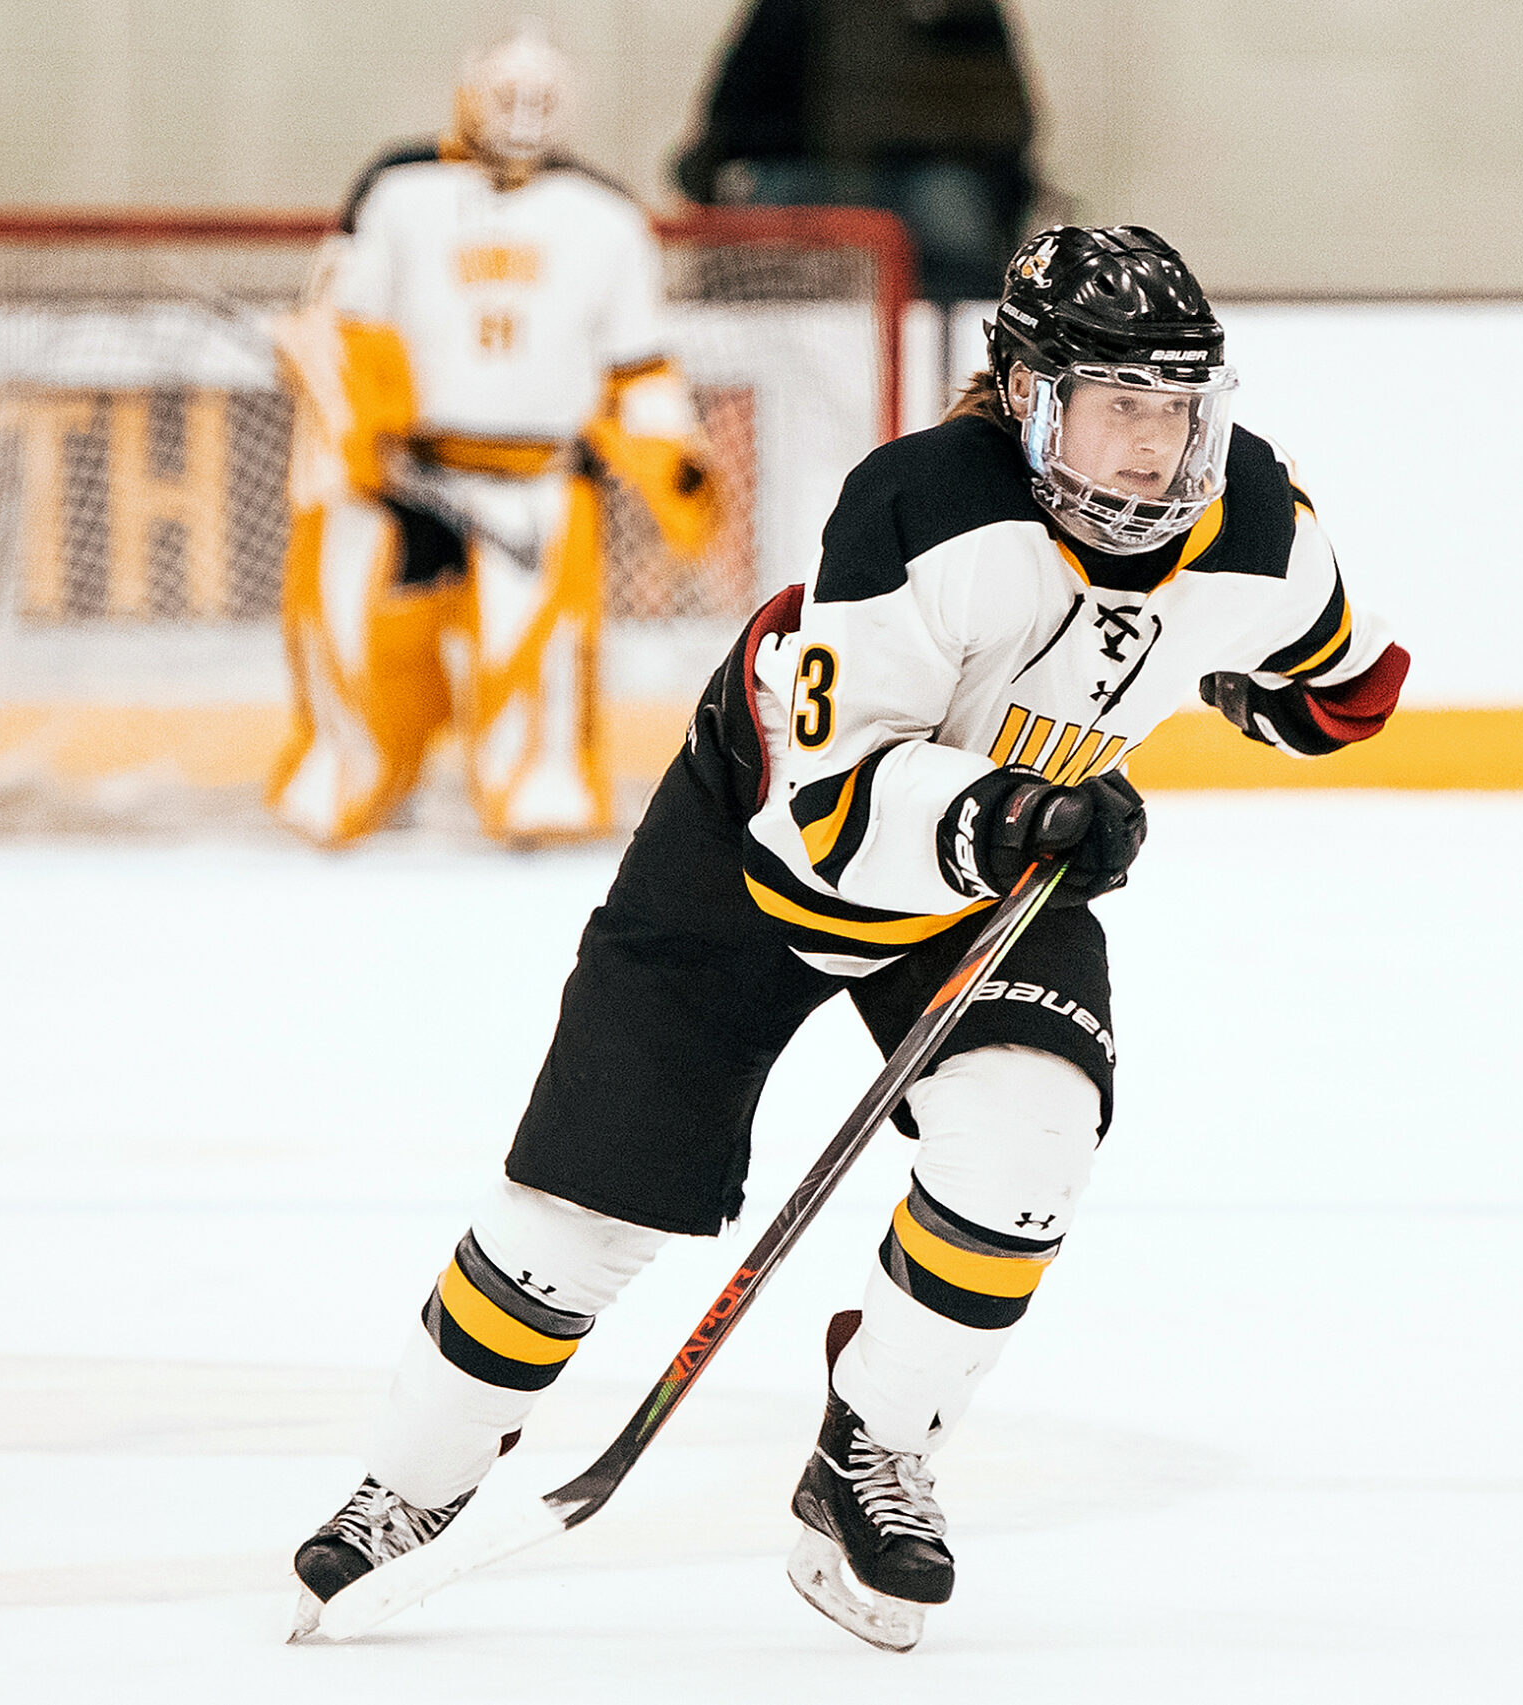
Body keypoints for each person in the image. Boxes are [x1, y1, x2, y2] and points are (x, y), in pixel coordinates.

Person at [288, 226, 1411, 1650]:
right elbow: (829, 810)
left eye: (1178, 407)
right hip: (756, 855)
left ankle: (868, 1452)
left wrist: (1276, 705)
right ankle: (413, 1484)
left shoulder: (1250, 519)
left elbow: (1331, 678)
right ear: (1023, 392)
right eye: (1119, 404)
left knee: (1030, 1146)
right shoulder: (919, 505)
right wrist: (1013, 813)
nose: (1152, 448)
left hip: (994, 876)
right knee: (579, 1220)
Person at [270, 18, 721, 847]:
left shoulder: (606, 217)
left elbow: (638, 366)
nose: (520, 111)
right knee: (346, 623)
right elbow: (343, 329)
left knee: (536, 654)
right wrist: (355, 420)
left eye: (539, 98)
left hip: (537, 480)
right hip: (401, 473)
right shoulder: (398, 192)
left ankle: (535, 790)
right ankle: (349, 773)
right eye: (506, 94)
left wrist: (672, 461)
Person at [672, 0, 1038, 304]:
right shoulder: (787, 8)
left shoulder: (956, 8)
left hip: (921, 173)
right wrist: (712, 164)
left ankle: (951, 351)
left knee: (953, 216)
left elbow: (1006, 116)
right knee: (763, 217)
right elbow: (737, 96)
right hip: (806, 170)